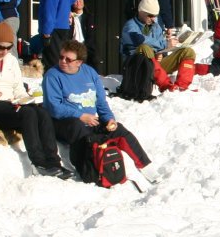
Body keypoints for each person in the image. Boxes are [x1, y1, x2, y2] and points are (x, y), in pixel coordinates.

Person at [0, 21, 69, 178]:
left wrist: (26, 98)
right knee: (28, 114)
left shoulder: (11, 61)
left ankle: (54, 162)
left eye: (8, 47)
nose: (4, 51)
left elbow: (18, 88)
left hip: (11, 104)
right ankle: (38, 161)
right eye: (0, 47)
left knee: (41, 112)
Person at [44, 40, 151, 181]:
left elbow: (100, 101)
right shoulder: (52, 75)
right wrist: (80, 115)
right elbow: (54, 107)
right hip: (64, 122)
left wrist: (109, 119)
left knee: (118, 130)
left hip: (89, 120)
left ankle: (144, 165)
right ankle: (89, 172)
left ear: (79, 62)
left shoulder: (90, 73)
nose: (63, 61)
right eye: (61, 57)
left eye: (68, 59)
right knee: (81, 131)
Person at [120, 0, 197, 90]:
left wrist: (163, 51)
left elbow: (159, 45)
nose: (153, 19)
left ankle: (182, 86)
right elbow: (140, 40)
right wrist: (164, 45)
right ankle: (166, 85)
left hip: (154, 67)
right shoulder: (130, 26)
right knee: (144, 48)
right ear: (141, 12)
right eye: (150, 15)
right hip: (136, 68)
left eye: (155, 16)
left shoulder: (156, 27)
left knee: (188, 52)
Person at [37, 0, 78, 71]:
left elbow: (49, 10)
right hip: (64, 27)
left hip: (53, 28)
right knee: (61, 57)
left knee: (52, 61)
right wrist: (64, 9)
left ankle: (53, 83)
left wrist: (46, 32)